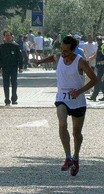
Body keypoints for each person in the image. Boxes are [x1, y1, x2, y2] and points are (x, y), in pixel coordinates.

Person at [30, 36, 98, 176]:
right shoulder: (60, 57)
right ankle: (67, 157)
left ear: (73, 50)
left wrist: (79, 92)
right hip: (62, 97)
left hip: (77, 100)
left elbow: (94, 79)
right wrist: (39, 62)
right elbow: (52, 58)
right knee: (62, 124)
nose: (63, 52)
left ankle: (76, 157)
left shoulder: (80, 62)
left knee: (76, 133)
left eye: (66, 50)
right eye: (62, 49)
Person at [0, 30, 23, 106]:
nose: (8, 37)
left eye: (9, 35)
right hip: (5, 68)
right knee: (6, 84)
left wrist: (21, 67)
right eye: (6, 35)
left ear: (11, 36)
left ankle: (14, 99)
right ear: (4, 37)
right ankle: (7, 99)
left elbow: (20, 57)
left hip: (14, 67)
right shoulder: (1, 47)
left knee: (14, 83)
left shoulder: (15, 46)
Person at [87, 36, 104, 101]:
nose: (98, 41)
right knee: (101, 81)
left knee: (98, 81)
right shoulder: (99, 47)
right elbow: (97, 55)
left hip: (103, 67)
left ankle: (94, 96)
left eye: (100, 40)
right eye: (97, 40)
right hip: (99, 66)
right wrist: (91, 59)